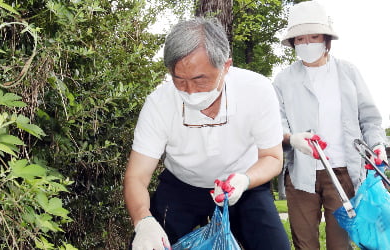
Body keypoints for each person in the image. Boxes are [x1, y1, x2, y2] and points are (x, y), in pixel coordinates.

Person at [123, 17, 290, 250]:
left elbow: (272, 158)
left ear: (226, 66)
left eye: (200, 80)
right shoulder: (159, 103)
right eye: (179, 80)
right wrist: (143, 221)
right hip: (182, 186)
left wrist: (245, 180)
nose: (190, 91)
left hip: (242, 185)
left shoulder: (257, 90)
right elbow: (136, 177)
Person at [273, 1, 387, 249]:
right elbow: (276, 124)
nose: (307, 44)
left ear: (326, 39)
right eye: (300, 39)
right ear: (293, 43)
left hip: (344, 171)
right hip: (301, 174)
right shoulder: (283, 80)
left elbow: (370, 119)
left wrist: (376, 145)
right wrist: (293, 138)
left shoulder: (348, 72)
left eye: (313, 37)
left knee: (339, 243)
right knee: (305, 242)